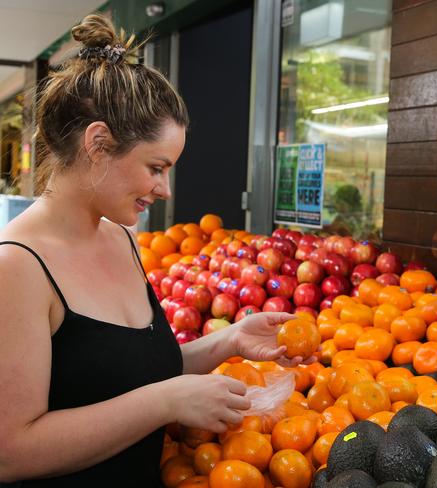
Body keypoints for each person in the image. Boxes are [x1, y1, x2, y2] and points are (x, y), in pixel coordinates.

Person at [0, 15, 309, 487]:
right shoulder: (17, 266)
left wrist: (230, 339)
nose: (164, 189)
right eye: (156, 167)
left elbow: (128, 374)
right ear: (98, 145)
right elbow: (12, 452)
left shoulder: (122, 239)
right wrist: (164, 402)